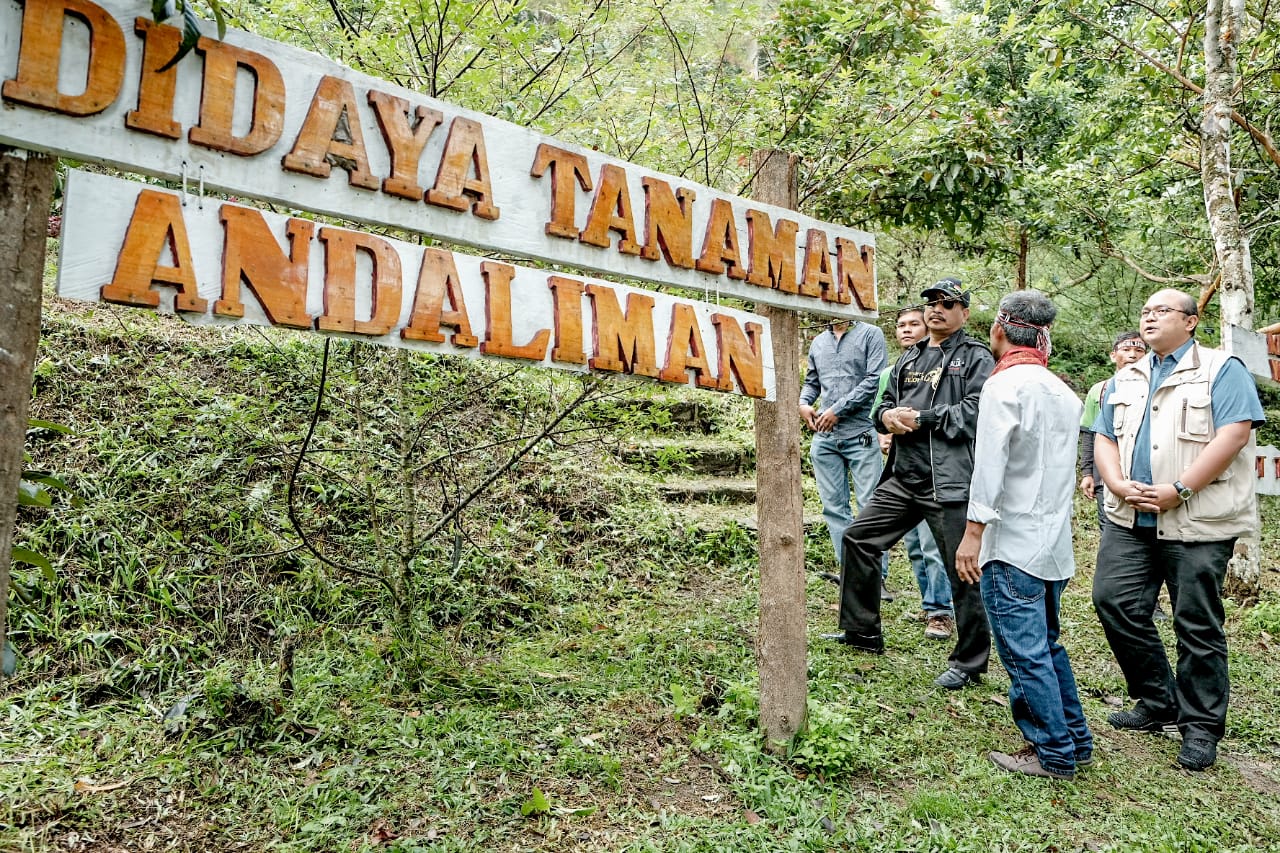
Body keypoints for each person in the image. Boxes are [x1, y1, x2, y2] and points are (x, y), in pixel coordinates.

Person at [1090, 288, 1265, 771]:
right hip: (1130, 517)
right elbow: (1104, 436)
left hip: (1198, 520)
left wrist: (1180, 489)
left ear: (1190, 322)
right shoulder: (1126, 376)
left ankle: (1201, 726)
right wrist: (1116, 482)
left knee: (1196, 622)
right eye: (1144, 311)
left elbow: (1234, 434)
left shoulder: (1221, 369)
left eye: (1162, 310)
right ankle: (1156, 699)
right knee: (1114, 601)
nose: (1149, 317)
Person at [827, 276, 993, 691]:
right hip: (904, 476)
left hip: (949, 480)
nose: (937, 309)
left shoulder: (976, 358)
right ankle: (862, 632)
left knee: (964, 571)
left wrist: (923, 419)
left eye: (947, 303)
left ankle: (970, 661)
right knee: (859, 538)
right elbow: (881, 403)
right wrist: (885, 418)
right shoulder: (909, 357)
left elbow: (976, 412)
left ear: (964, 313)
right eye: (931, 303)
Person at [956, 290, 1093, 780]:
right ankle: (1075, 740)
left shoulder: (1005, 385)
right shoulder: (1063, 390)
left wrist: (972, 535)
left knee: (1023, 652)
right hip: (1052, 543)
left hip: (1011, 542)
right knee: (1048, 645)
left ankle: (1052, 752)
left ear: (998, 330)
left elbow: (990, 467)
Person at [874, 306, 954, 641]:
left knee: (933, 544)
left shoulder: (947, 367)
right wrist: (886, 425)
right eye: (901, 325)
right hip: (900, 467)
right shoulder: (897, 369)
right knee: (914, 546)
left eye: (913, 324)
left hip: (936, 470)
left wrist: (918, 420)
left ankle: (941, 611)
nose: (907, 330)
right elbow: (880, 409)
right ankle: (929, 602)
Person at [799, 318, 889, 596]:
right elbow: (813, 381)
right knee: (834, 508)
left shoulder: (870, 334)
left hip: (860, 433)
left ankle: (876, 577)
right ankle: (850, 572)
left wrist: (838, 409)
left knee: (869, 506)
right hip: (825, 438)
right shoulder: (819, 341)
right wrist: (803, 403)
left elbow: (874, 381)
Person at [1079, 331, 1147, 524]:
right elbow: (1089, 433)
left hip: (1144, 475)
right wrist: (1087, 473)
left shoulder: (1159, 388)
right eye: (1126, 350)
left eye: (1139, 350)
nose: (1133, 355)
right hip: (1105, 475)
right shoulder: (1099, 390)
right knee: (1108, 526)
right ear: (1113, 355)